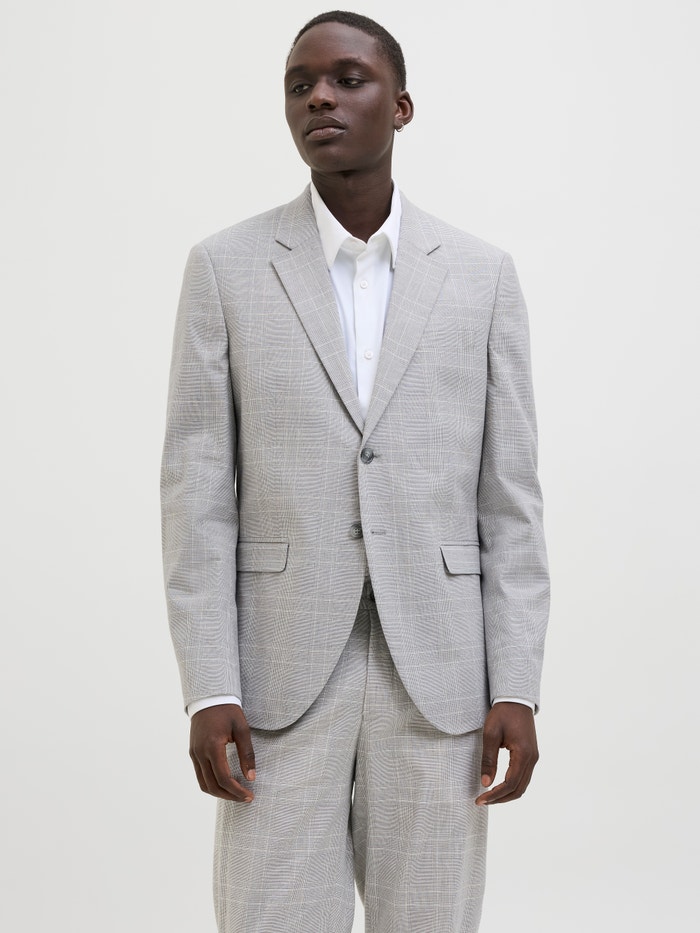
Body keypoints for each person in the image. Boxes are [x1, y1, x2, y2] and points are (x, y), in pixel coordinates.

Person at [161, 10, 549, 932]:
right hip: (277, 678)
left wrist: (516, 684)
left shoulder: (483, 276)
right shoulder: (225, 268)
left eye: (347, 79)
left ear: (401, 105)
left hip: (441, 678)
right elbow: (197, 494)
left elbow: (511, 501)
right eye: (300, 85)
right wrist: (210, 684)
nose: (320, 99)